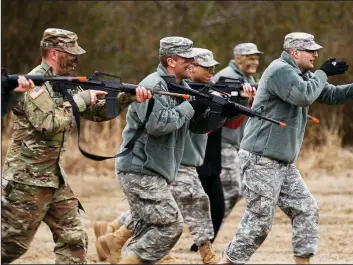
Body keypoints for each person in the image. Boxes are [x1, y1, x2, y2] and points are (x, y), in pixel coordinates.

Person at [218, 32, 353, 265]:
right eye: (311, 51)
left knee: (306, 209)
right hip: (260, 159)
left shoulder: (303, 74)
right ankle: (228, 262)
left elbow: (330, 94)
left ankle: (303, 262)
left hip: (281, 161)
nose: (316, 54)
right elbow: (303, 95)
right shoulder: (280, 70)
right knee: (259, 222)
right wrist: (323, 72)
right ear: (295, 53)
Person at [1, 28, 151, 264]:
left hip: (54, 179)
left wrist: (127, 98)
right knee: (10, 246)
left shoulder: (66, 84)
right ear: (53, 53)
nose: (76, 58)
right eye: (70, 53)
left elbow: (97, 113)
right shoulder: (34, 85)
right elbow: (48, 123)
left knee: (74, 239)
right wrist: (82, 99)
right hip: (27, 181)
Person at [94, 48, 225, 265]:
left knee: (150, 219)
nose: (195, 64)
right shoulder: (154, 85)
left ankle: (113, 239)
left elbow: (196, 127)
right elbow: (158, 125)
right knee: (171, 222)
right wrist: (192, 106)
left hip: (159, 167)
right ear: (171, 61)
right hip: (142, 166)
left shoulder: (182, 87)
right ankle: (195, 255)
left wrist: (221, 114)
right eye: (189, 59)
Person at [212, 43, 260, 222]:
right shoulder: (226, 77)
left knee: (232, 190)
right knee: (232, 189)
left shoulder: (250, 79)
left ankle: (207, 230)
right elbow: (223, 115)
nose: (255, 61)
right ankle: (208, 230)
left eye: (256, 58)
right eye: (250, 57)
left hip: (236, 142)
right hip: (222, 141)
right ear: (238, 58)